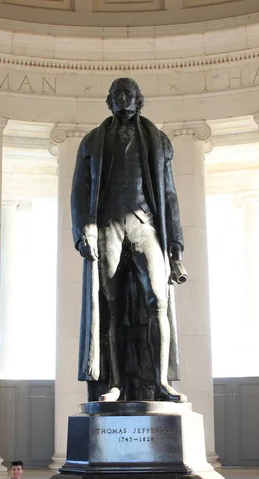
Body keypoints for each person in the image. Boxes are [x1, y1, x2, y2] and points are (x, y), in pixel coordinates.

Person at [71, 77, 186, 403]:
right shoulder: (92, 142)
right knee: (111, 306)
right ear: (109, 101)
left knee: (158, 302)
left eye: (129, 94)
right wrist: (84, 230)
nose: (123, 99)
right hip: (107, 227)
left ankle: (161, 382)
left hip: (146, 226)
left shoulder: (157, 140)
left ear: (138, 100)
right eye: (117, 94)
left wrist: (175, 240)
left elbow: (169, 193)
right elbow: (79, 190)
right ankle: (115, 384)